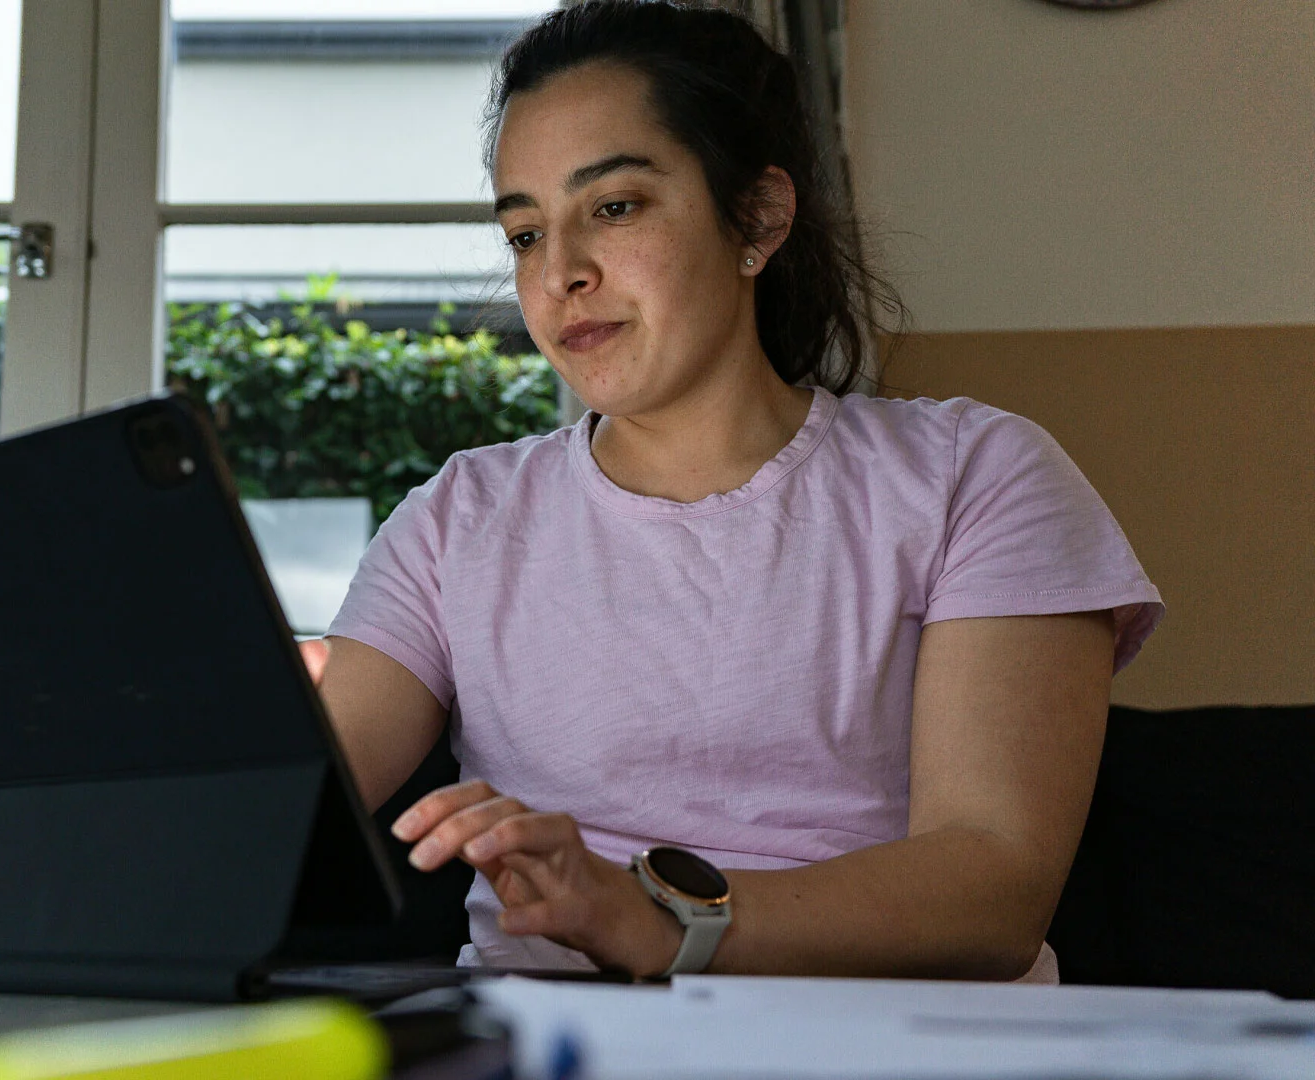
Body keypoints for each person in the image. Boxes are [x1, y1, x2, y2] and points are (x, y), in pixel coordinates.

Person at [300, 1, 1162, 983]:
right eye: (527, 233)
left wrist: (656, 917)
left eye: (613, 208)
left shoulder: (978, 475)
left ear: (758, 217)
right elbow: (284, 810)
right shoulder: (458, 521)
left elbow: (994, 888)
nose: (561, 274)